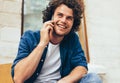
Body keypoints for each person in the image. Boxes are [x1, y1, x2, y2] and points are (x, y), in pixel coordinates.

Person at [11, 0, 102, 83]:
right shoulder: (30, 37)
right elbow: (18, 78)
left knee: (93, 79)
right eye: (60, 15)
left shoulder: (72, 39)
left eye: (69, 18)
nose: (63, 21)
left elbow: (82, 67)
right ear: (51, 16)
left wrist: (64, 81)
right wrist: (42, 43)